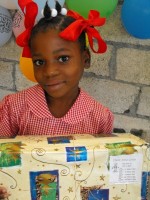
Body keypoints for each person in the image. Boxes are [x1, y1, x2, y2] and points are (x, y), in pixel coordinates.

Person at [0, 1, 114, 198]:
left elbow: (100, 171)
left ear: (85, 59)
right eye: (39, 62)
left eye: (63, 58)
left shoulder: (99, 117)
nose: (50, 71)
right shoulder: (14, 107)